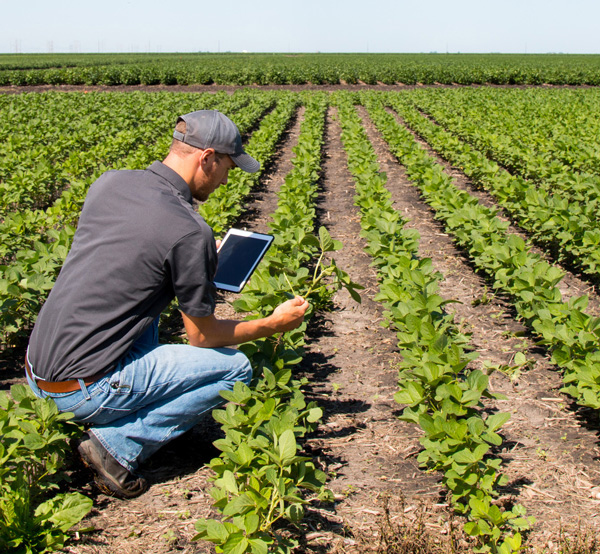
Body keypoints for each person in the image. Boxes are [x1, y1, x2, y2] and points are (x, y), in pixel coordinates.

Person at [25, 109, 309, 499]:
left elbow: (132, 258)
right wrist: (273, 324)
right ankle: (117, 447)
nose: (227, 179)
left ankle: (108, 402)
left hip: (37, 369)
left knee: (147, 310)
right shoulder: (189, 231)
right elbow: (201, 337)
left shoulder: (110, 183)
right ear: (206, 157)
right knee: (235, 369)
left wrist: (197, 263)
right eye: (227, 166)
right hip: (80, 389)